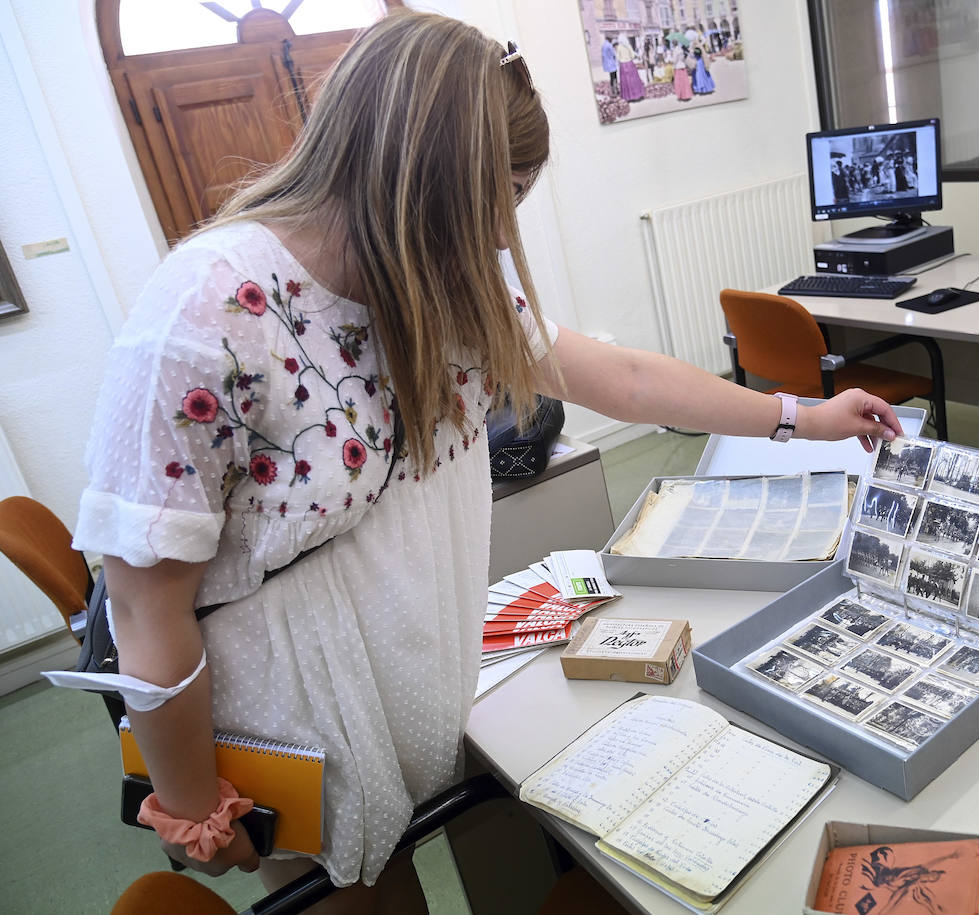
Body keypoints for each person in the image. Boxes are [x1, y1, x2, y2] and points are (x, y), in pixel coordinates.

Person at [71, 11, 901, 915]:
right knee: (364, 902)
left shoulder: (439, 268)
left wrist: (800, 414)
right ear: (422, 178)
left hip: (411, 668)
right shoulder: (204, 314)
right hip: (287, 716)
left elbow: (619, 378)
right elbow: (147, 603)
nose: (504, 232)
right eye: (499, 194)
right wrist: (192, 801)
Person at [615, 35, 645, 101]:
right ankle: (637, 95)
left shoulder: (619, 47)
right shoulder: (628, 46)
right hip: (630, 63)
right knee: (633, 80)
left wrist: (621, 59)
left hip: (623, 65)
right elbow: (633, 55)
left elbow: (617, 57)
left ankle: (628, 96)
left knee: (625, 81)